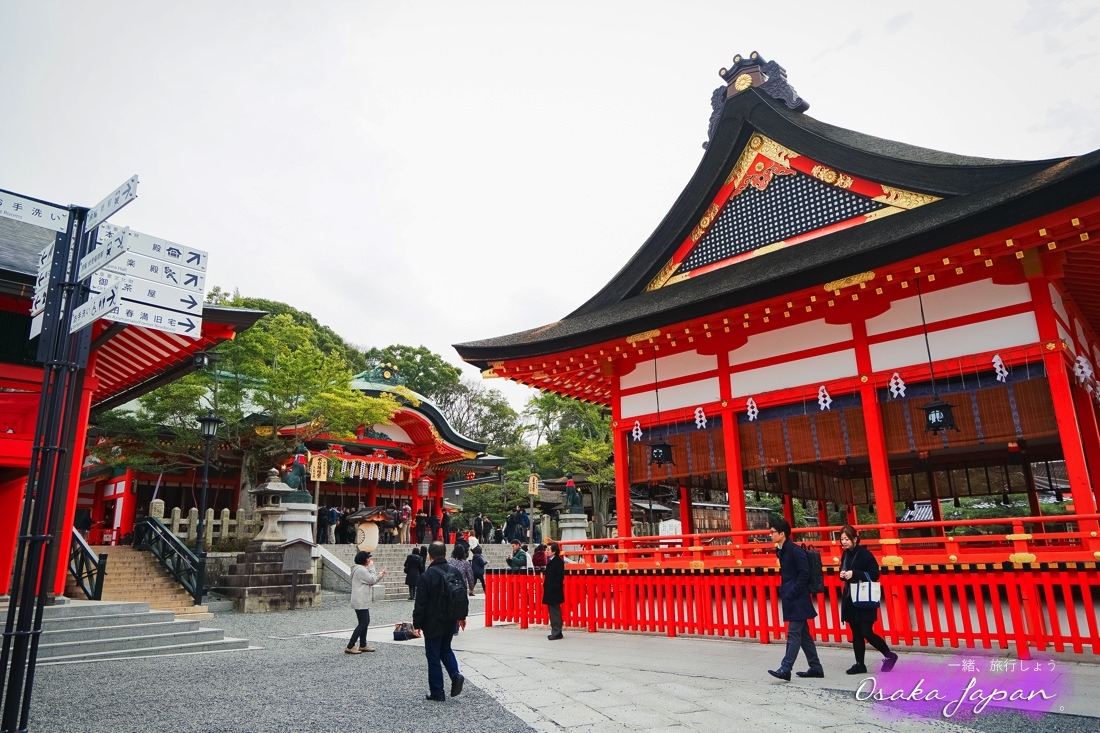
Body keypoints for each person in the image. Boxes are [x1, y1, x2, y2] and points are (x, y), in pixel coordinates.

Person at [767, 516, 824, 681]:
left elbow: (804, 573)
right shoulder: (783, 550)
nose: (770, 535)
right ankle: (816, 667)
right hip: (792, 596)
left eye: (772, 532)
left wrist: (793, 591)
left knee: (793, 633)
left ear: (782, 533)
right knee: (804, 635)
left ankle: (786, 668)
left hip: (798, 597)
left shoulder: (795, 550)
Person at [838, 525, 898, 674]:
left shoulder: (865, 554)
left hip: (864, 598)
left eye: (847, 539)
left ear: (855, 539)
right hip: (850, 597)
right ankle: (860, 664)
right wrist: (843, 574)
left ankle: (890, 656)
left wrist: (855, 573)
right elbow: (843, 570)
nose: (844, 542)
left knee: (866, 631)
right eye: (842, 539)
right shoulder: (845, 555)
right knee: (855, 632)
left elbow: (874, 574)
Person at [413, 541, 468, 702]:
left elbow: (420, 603)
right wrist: (462, 617)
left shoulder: (427, 576)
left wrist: (417, 624)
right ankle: (455, 674)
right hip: (450, 619)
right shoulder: (455, 571)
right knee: (446, 649)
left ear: (429, 556)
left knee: (433, 656)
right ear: (445, 554)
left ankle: (437, 692)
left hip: (432, 621)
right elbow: (461, 595)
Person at [346, 550, 385, 654]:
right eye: (368, 558)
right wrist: (372, 568)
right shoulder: (361, 570)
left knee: (365, 622)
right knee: (363, 623)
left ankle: (363, 644)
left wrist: (380, 575)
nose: (370, 560)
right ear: (364, 560)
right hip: (360, 599)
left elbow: (370, 580)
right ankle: (350, 645)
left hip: (361, 599)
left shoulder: (359, 569)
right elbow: (372, 580)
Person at [543, 541, 565, 640]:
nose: (546, 551)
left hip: (554, 591)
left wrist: (552, 588)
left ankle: (557, 631)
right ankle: (555, 630)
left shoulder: (558, 562)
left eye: (548, 549)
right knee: (552, 612)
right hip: (550, 590)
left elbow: (559, 578)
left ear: (554, 551)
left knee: (555, 611)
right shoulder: (550, 561)